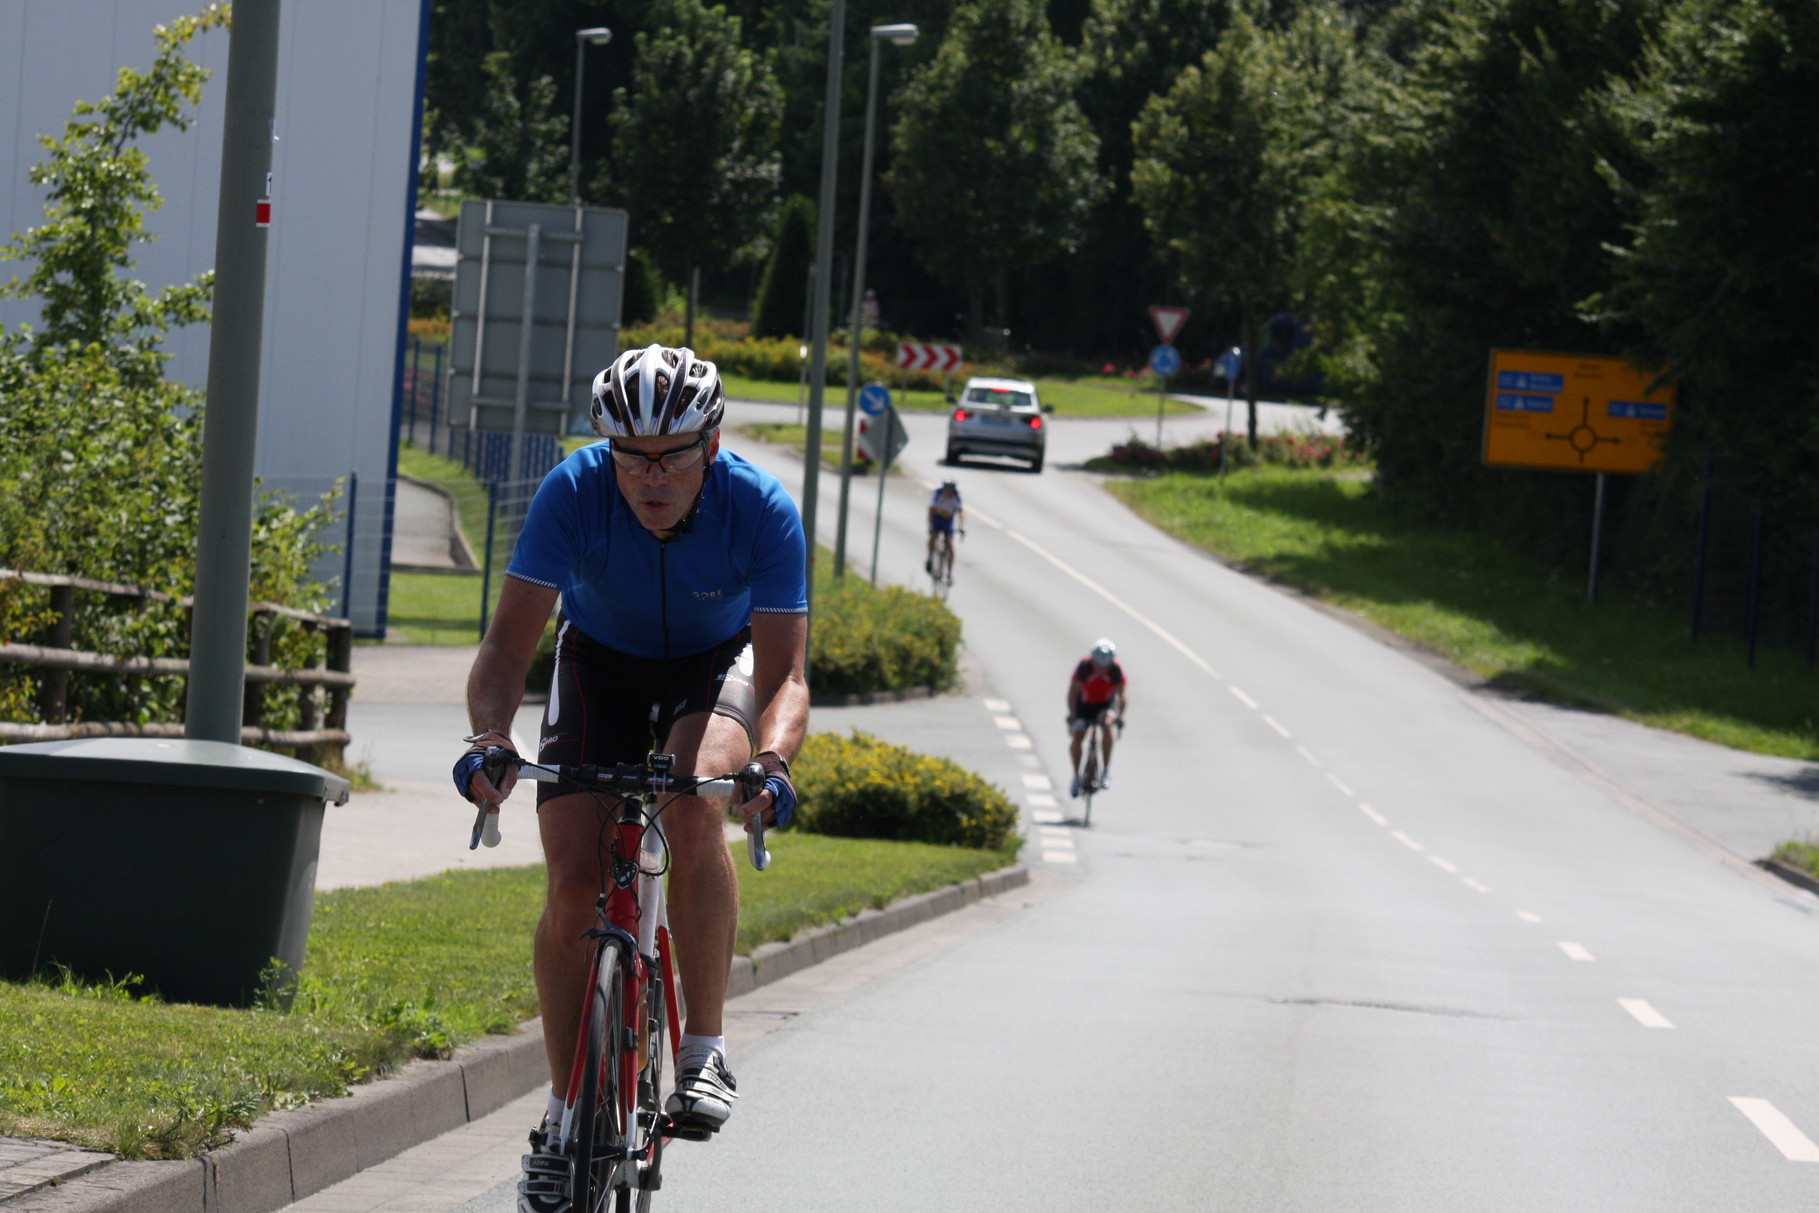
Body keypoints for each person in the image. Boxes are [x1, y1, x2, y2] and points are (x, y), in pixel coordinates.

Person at [454, 344, 809, 1213]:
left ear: (711, 443)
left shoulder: (760, 507)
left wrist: (771, 762)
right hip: (599, 661)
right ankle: (564, 1114)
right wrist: (489, 736)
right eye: (631, 456)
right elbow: (505, 648)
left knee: (693, 804)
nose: (650, 475)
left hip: (710, 664)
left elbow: (785, 676)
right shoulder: (573, 492)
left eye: (672, 454)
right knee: (573, 886)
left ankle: (706, 1048)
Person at [1067, 638, 1127, 797]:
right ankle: (1076, 777)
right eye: (1098, 666)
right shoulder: (1084, 667)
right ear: (1092, 660)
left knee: (1107, 726)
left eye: (1104, 667)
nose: (1101, 670)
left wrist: (1120, 715)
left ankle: (1106, 771)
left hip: (1104, 705)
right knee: (1078, 735)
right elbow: (1073, 692)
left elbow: (1122, 694)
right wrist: (1072, 715)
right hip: (1083, 706)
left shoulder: (1116, 670)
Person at [925, 479, 965, 575]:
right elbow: (931, 510)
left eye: (951, 491)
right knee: (933, 537)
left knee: (950, 545)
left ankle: (949, 572)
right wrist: (930, 525)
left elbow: (961, 512)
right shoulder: (937, 494)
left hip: (948, 521)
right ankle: (930, 557)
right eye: (947, 490)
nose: (949, 492)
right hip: (937, 518)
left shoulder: (956, 496)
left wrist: (961, 526)